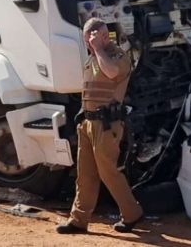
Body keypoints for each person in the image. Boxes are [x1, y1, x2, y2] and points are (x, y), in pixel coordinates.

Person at [57, 18, 143, 235]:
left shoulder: (116, 56)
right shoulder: (91, 59)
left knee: (109, 173)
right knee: (85, 174)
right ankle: (78, 220)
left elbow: (112, 73)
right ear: (86, 38)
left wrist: (98, 50)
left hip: (107, 125)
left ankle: (132, 214)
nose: (103, 39)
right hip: (88, 123)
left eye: (105, 35)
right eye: (96, 36)